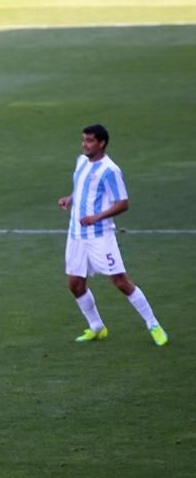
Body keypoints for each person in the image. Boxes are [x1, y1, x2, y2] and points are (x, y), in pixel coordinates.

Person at [58, 124, 168, 346]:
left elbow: (123, 203)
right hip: (76, 234)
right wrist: (70, 198)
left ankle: (153, 324)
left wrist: (97, 217)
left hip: (100, 235)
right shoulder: (81, 161)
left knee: (120, 282)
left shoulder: (110, 170)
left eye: (89, 141)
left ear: (102, 143)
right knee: (75, 284)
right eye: (83, 140)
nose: (85, 144)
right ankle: (97, 327)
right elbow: (82, 187)